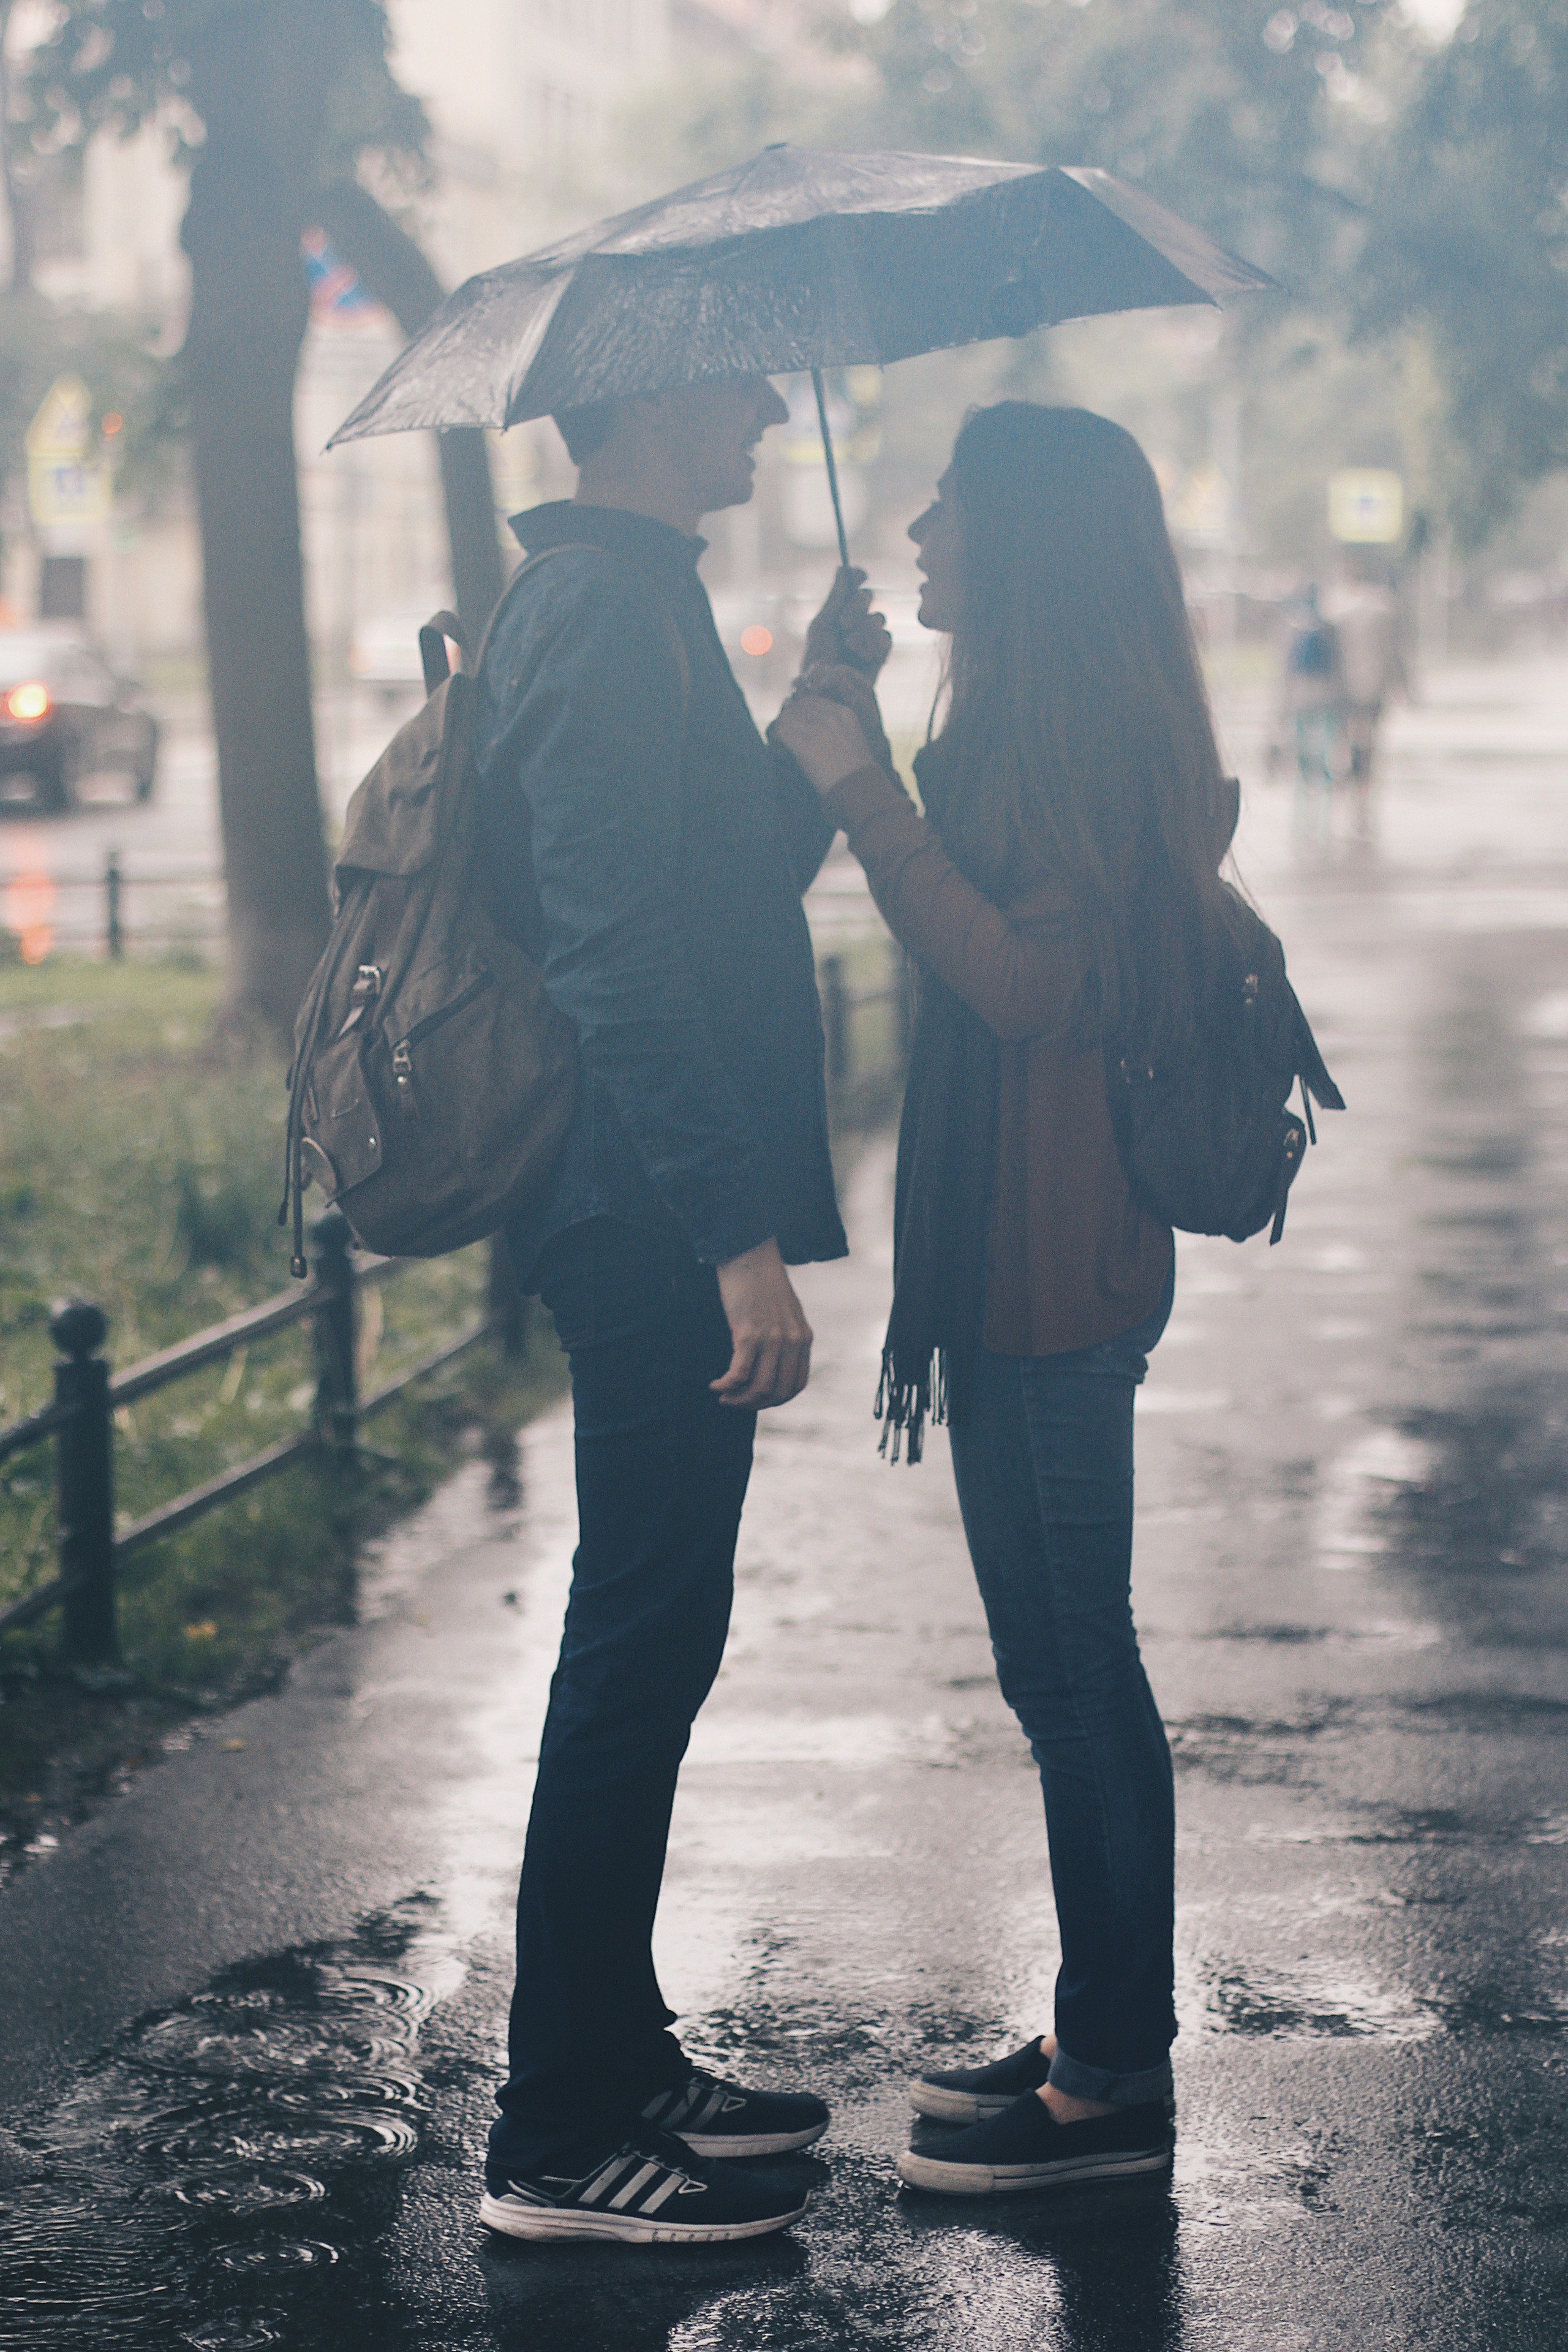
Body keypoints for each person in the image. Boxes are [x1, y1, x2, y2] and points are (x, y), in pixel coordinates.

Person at [773, 402, 1240, 2198]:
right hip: (1011, 1259)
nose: (916, 523)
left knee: (1074, 1668)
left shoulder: (1094, 744)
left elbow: (1028, 987)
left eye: (951, 503)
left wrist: (865, 788)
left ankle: (1115, 2076)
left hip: (1058, 1266)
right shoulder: (1028, 725)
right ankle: (1091, 2024)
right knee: (1056, 1665)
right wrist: (855, 715)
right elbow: (960, 911)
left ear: (1022, 539)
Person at [472, 376, 889, 2244]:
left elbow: (726, 894)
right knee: (633, 1641)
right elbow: (614, 947)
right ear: (636, 406)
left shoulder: (642, 593)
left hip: (665, 1203)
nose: (753, 408)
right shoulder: (582, 609)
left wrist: (812, 713)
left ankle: (622, 2049)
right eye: (724, 384)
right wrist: (734, 1234)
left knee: (664, 1631)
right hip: (636, 1211)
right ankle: (555, 2130)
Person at [1321, 567, 1407, 838]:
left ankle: (1346, 790)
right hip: (1373, 689)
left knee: (1345, 742)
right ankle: (1362, 793)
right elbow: (1394, 653)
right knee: (1368, 743)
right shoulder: (1384, 612)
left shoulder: (1335, 612)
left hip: (1344, 691)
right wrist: (1403, 685)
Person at [1276, 582, 1345, 850]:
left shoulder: (1290, 629)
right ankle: (1325, 824)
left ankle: (1302, 822)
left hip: (1299, 701)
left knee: (1303, 763)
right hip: (1326, 700)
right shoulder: (1331, 629)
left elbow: (1283, 674)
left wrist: (1280, 713)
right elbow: (1339, 670)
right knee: (1326, 760)